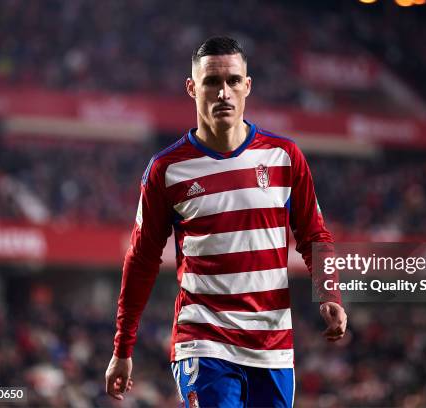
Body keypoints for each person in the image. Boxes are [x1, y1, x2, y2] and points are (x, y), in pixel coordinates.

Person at [105, 36, 347, 407]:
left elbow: (314, 234)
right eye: (211, 82)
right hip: (203, 340)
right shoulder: (166, 170)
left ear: (247, 86)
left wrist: (330, 293)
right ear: (192, 88)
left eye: (233, 81)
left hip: (273, 346)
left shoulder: (285, 157)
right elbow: (141, 259)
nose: (223, 93)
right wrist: (123, 347)